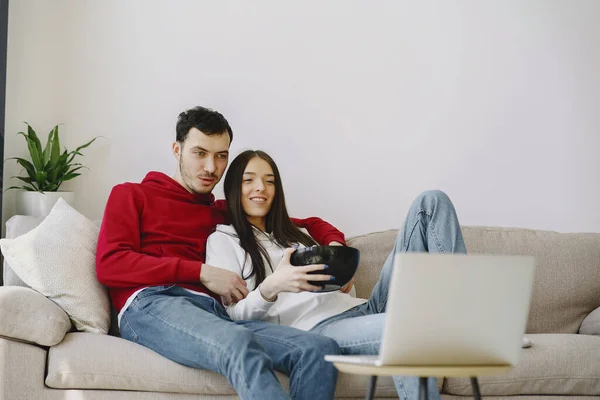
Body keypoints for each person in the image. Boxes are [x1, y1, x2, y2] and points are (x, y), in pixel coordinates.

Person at [96, 107, 346, 400]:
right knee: (237, 340)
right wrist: (201, 272)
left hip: (215, 315)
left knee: (319, 349)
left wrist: (336, 246)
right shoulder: (131, 194)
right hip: (153, 304)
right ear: (177, 150)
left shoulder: (219, 211)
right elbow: (110, 263)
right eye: (199, 153)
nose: (211, 168)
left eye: (221, 156)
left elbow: (304, 223)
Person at [205, 150, 468, 400]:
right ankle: (447, 327)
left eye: (269, 181)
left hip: (366, 308)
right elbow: (232, 316)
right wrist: (272, 286)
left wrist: (342, 280)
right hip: (323, 328)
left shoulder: (295, 235)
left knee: (431, 202)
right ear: (232, 189)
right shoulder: (224, 241)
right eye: (249, 180)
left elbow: (332, 271)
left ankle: (462, 314)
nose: (261, 187)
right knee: (407, 330)